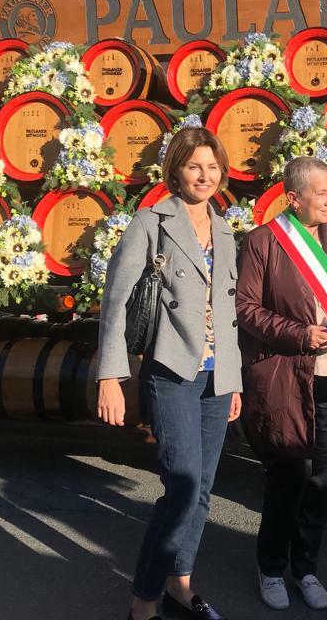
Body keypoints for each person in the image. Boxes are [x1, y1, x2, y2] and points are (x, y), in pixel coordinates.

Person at [97, 127, 243, 620]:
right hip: (172, 371)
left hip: (216, 377)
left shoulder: (225, 230)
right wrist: (110, 377)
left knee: (202, 490)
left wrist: (233, 380)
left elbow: (228, 313)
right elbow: (116, 300)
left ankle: (180, 583)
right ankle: (144, 600)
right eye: (194, 166)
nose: (205, 176)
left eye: (212, 167)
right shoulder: (151, 222)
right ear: (176, 170)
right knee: (181, 487)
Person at [236, 156, 327, 612]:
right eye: (321, 193)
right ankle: (271, 568)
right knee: (288, 478)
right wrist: (300, 334)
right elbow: (246, 309)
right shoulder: (262, 242)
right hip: (287, 381)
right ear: (293, 198)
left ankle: (305, 568)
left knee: (322, 480)